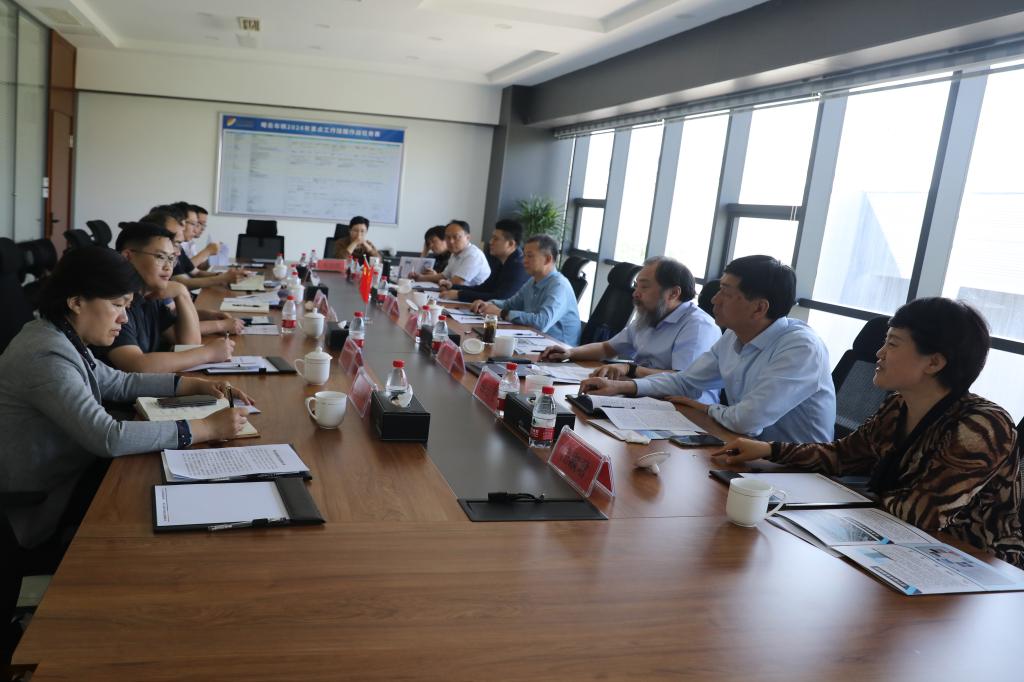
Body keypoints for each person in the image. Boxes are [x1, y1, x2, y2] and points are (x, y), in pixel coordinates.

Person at [713, 297, 1024, 568]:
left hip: (970, 562)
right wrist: (769, 450)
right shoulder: (897, 406)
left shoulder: (982, 426)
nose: (879, 353)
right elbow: (843, 456)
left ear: (934, 362)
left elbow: (923, 514)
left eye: (893, 344)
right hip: (896, 543)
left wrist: (840, 501)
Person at [0, 246, 251, 552]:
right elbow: (108, 437)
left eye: (127, 306)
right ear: (76, 302)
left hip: (75, 470)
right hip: (45, 500)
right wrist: (207, 428)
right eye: (117, 305)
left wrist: (189, 385)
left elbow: (118, 382)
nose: (123, 318)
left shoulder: (60, 335)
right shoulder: (46, 355)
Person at [580, 255, 835, 443]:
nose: (714, 300)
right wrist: (621, 387)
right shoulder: (733, 335)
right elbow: (685, 381)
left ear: (759, 308)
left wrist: (704, 408)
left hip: (795, 470)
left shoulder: (801, 348)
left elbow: (747, 421)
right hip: (740, 448)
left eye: (725, 293)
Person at [540, 257, 720, 393]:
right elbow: (607, 348)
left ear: (673, 293)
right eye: (636, 286)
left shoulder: (698, 326)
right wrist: (570, 353)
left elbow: (682, 381)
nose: (635, 293)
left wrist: (631, 369)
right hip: (644, 394)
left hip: (684, 409)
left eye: (644, 287)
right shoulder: (650, 315)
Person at [92, 222, 237, 373]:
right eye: (160, 257)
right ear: (128, 256)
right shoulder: (116, 302)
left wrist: (182, 293)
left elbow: (188, 343)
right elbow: (136, 365)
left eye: (171, 258)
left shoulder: (149, 296)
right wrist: (208, 353)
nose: (168, 267)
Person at [471, 235, 581, 345]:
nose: (524, 261)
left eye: (530, 256)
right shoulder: (532, 281)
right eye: (524, 256)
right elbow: (510, 304)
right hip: (534, 340)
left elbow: (542, 323)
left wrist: (501, 313)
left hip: (558, 348)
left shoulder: (559, 285)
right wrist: (488, 304)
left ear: (547, 259)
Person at [439, 219, 529, 302]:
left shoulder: (518, 266)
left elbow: (500, 298)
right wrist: (453, 287)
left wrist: (459, 294)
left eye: (496, 239)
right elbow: (485, 288)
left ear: (511, 244)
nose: (490, 242)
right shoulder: (501, 261)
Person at [412, 220, 490, 286]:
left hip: (475, 297)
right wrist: (420, 277)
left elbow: (457, 283)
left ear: (468, 238)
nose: (451, 241)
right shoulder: (455, 254)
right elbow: (444, 275)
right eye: (448, 237)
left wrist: (442, 282)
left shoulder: (473, 255)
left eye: (456, 237)